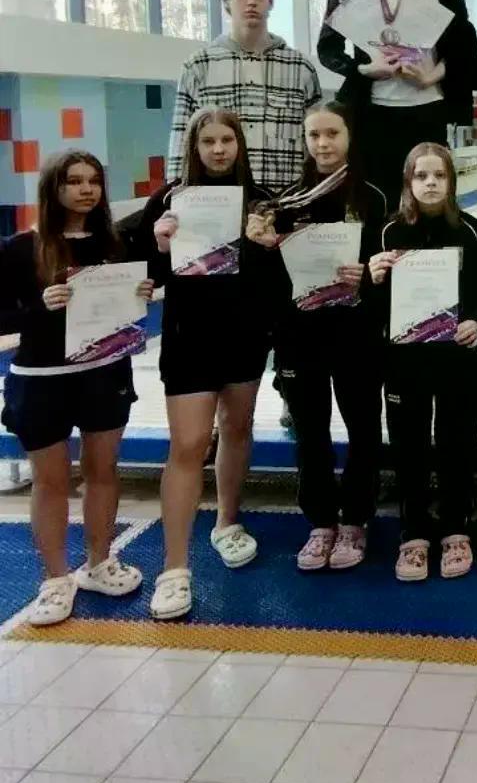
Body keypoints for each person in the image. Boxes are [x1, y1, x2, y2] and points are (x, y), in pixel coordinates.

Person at [0, 153, 153, 626]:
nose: (86, 189)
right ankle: (55, 578)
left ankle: (99, 562)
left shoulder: (116, 244)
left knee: (102, 470)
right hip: (41, 380)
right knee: (50, 480)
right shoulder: (21, 248)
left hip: (105, 373)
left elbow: (136, 299)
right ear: (54, 187)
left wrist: (139, 294)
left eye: (94, 181)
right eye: (74, 181)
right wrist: (38, 307)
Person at [141, 110, 274, 620]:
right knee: (188, 445)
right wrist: (160, 245)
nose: (218, 150)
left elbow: (278, 278)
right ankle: (174, 568)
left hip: (243, 336)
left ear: (239, 145)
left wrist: (267, 247)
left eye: (227, 140)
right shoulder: (169, 200)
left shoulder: (260, 202)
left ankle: (226, 522)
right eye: (209, 141)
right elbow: (148, 277)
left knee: (236, 428)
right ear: (194, 148)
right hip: (189, 338)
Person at [247, 102, 386, 571]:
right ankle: (322, 521)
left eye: (332, 134)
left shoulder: (372, 198)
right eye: (314, 135)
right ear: (304, 140)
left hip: (355, 333)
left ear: (349, 136)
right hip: (300, 334)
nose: (323, 144)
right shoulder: (285, 203)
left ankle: (357, 519)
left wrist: (368, 275)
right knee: (310, 431)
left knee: (363, 428)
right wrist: (263, 246)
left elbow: (388, 268)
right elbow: (271, 278)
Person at [368, 142, 477, 582]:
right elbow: (373, 306)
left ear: (452, 181)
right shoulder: (388, 234)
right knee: (409, 445)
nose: (430, 183)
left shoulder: (470, 231)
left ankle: (456, 526)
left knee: (457, 441)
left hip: (457, 357)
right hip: (405, 361)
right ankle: (414, 530)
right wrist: (373, 277)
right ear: (408, 182)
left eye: (439, 176)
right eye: (421, 176)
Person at [319, 0, 477, 209]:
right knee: (375, 200)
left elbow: (466, 51)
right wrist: (364, 70)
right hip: (372, 113)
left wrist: (431, 76)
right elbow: (327, 49)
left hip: (427, 110)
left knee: (428, 201)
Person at [168, 0, 322, 195]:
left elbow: (316, 141)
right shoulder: (198, 66)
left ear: (270, 3)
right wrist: (176, 197)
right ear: (225, 1)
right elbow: (181, 140)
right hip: (218, 199)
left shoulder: (301, 68)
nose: (251, 2)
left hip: (285, 199)